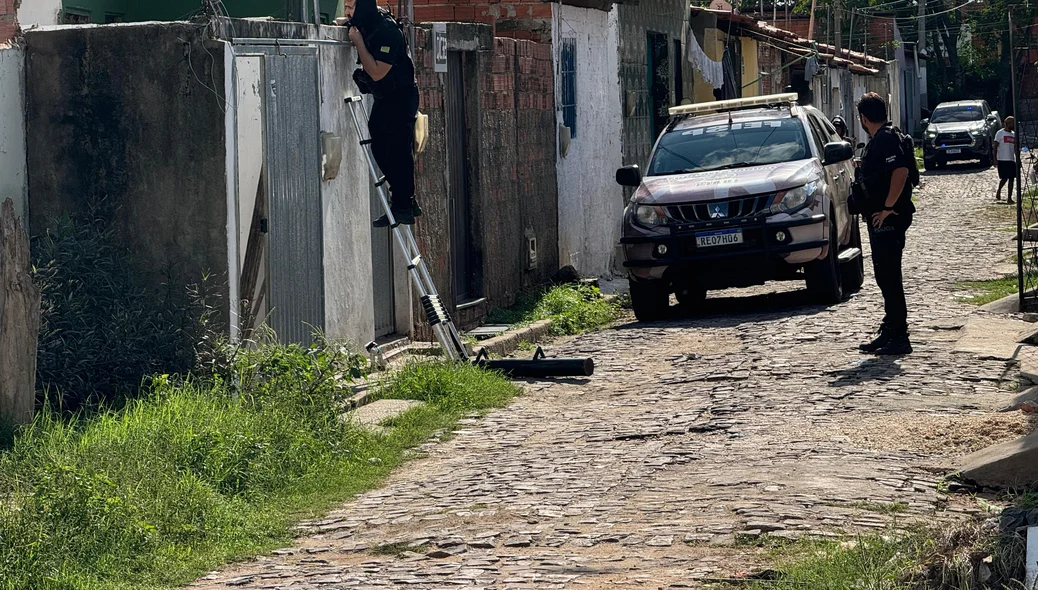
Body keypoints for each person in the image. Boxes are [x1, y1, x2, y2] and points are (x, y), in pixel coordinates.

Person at [345, 0, 422, 227]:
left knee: (398, 152)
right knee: (379, 146)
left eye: (351, 7)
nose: (348, 13)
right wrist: (344, 20)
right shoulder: (367, 20)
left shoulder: (388, 32)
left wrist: (359, 43)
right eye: (346, 7)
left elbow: (378, 72)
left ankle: (403, 206)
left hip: (401, 97)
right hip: (386, 97)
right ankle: (405, 201)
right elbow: (346, 21)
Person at [856, 92, 916, 356]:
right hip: (882, 216)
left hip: (889, 217)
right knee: (884, 275)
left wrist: (888, 207)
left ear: (864, 118)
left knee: (890, 277)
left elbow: (900, 171)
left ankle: (899, 336)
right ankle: (890, 329)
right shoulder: (882, 139)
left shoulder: (886, 139)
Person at [996, 116, 1018, 204]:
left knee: (1012, 179)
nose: (1013, 124)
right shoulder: (1000, 133)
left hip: (1011, 159)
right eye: (1011, 123)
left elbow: (1015, 148)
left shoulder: (1013, 134)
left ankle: (1009, 197)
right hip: (1002, 159)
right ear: (1007, 123)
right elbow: (995, 146)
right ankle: (999, 190)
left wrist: (1018, 160)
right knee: (1004, 178)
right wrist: (994, 159)